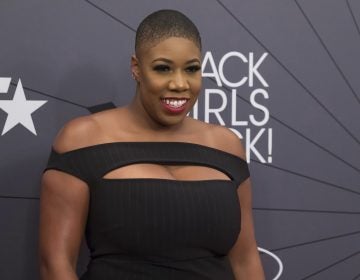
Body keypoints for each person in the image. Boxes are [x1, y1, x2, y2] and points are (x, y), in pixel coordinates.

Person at [38, 9, 265, 280]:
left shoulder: (227, 146)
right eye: (163, 68)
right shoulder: (82, 138)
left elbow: (246, 261)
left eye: (191, 69)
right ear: (136, 68)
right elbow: (56, 264)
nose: (179, 83)